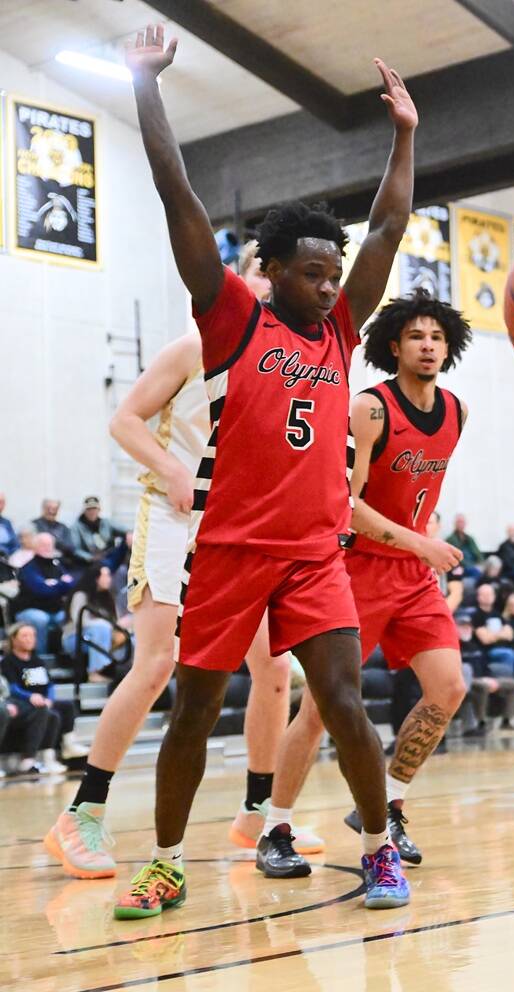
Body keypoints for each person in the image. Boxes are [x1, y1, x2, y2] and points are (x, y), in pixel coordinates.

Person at [113, 24, 417, 918]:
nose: (331, 286)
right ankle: (167, 861)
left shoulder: (337, 332)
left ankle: (377, 850)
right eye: (314, 273)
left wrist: (404, 133)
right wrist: (145, 89)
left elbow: (392, 223)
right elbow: (180, 201)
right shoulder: (232, 318)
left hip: (315, 554)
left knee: (344, 702)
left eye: (336, 275)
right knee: (195, 711)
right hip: (231, 549)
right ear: (274, 270)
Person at [44, 321, 302, 881]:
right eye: (259, 271)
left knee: (274, 666)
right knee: (158, 663)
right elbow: (124, 419)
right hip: (171, 513)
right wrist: (171, 467)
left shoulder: (286, 363)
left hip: (237, 526)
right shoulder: (195, 347)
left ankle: (258, 810)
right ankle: (80, 812)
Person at [256, 289, 473, 878]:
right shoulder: (369, 408)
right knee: (323, 711)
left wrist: (420, 546)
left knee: (448, 687)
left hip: (412, 574)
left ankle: (388, 801)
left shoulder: (455, 410)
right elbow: (345, 503)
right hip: (356, 570)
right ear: (394, 346)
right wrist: (422, 542)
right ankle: (274, 826)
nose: (427, 346)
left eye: (437, 337)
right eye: (416, 337)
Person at [2, 622, 73, 771]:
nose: (29, 639)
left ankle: (67, 746)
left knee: (66, 706)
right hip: (21, 701)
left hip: (42, 700)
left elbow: (50, 685)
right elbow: (13, 687)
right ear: (14, 639)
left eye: (32, 635)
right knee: (47, 713)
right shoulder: (9, 661)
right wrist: (30, 696)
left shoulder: (37, 660)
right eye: (25, 635)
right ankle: (28, 759)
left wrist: (50, 699)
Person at [12, 533, 75, 653]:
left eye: (50, 545)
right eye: (43, 545)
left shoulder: (57, 565)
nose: (47, 548)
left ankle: (66, 655)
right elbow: (41, 590)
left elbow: (71, 584)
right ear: (35, 547)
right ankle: (42, 656)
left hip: (55, 609)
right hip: (29, 609)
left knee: (66, 617)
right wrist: (60, 583)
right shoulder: (28, 568)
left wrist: (53, 584)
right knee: (40, 619)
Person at [71, 497, 128, 571]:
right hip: (92, 560)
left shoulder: (106, 522)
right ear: (84, 511)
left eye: (94, 508)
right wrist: (90, 557)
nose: (92, 512)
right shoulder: (77, 527)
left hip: (109, 555)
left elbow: (124, 529)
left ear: (99, 510)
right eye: (89, 509)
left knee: (128, 540)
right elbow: (76, 550)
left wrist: (129, 535)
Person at [32, 499, 80, 565]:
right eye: (48, 508)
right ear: (43, 509)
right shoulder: (34, 525)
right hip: (40, 562)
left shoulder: (63, 527)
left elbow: (71, 547)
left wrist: (55, 543)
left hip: (61, 561)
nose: (51, 511)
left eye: (54, 509)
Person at [0, 493, 18, 558]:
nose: (0, 506)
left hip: (6, 559)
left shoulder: (7, 523)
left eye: (2, 503)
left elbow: (15, 544)